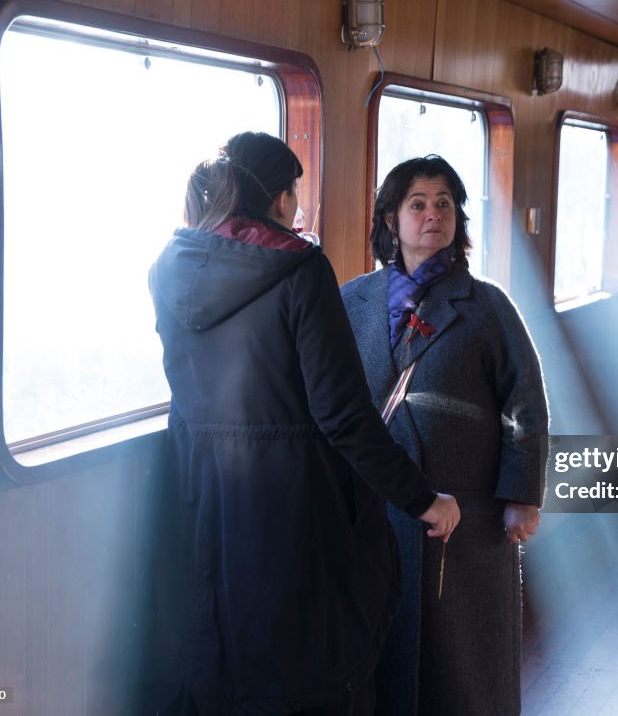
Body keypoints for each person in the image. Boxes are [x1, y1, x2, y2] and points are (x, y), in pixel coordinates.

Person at [148, 132, 460, 715]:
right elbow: (341, 414)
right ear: (282, 198)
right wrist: (422, 499)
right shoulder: (301, 270)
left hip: (201, 500)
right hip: (293, 507)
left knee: (228, 668)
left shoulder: (170, 266)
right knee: (313, 671)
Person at [340, 155, 549, 715]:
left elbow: (525, 404)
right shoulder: (351, 301)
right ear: (390, 219)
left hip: (469, 518)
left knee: (463, 658)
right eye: (417, 204)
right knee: (376, 649)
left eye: (444, 204)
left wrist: (522, 496)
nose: (432, 215)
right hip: (372, 508)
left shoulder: (487, 306)